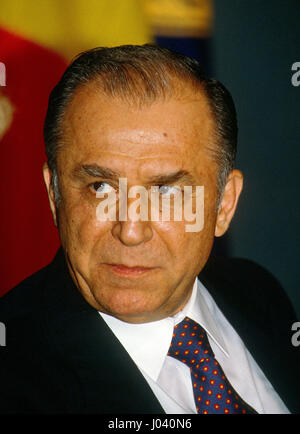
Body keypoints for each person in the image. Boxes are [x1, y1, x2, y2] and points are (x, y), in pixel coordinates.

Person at [0, 44, 299, 415]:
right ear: (54, 195)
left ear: (224, 205)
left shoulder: (256, 292)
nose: (131, 231)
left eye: (167, 191)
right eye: (100, 187)